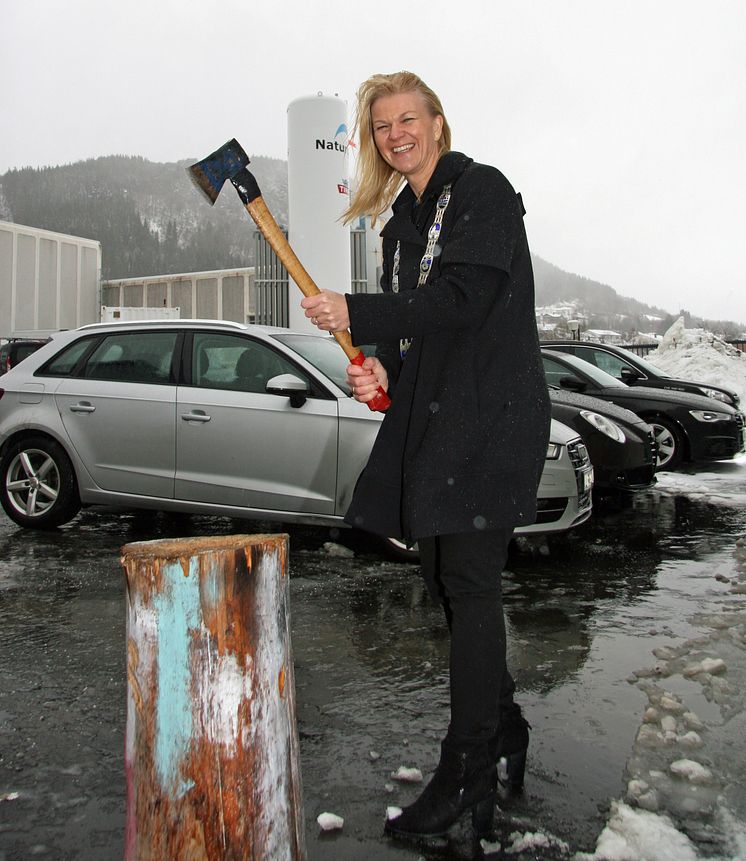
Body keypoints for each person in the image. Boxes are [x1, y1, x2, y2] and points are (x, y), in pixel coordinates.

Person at [301, 71, 551, 842]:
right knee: (446, 578)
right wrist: (386, 366)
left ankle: (466, 768)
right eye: (382, 126)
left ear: (437, 123)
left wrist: (357, 311)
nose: (396, 133)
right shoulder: (399, 224)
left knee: (471, 582)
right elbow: (422, 335)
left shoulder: (482, 193)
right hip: (438, 420)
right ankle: (502, 725)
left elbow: (467, 300)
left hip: (491, 419)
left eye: (409, 118)